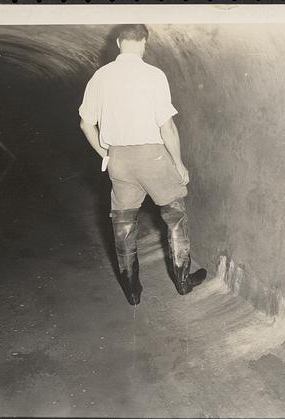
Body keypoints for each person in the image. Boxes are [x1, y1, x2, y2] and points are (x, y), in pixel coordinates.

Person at [78, 24, 207, 305]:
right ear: (144, 42)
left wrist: (105, 153)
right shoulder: (153, 75)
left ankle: (132, 292)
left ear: (118, 42)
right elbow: (167, 127)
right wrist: (179, 162)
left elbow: (86, 124)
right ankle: (183, 282)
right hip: (152, 156)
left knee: (123, 222)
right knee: (174, 214)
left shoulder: (100, 76)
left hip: (119, 160)